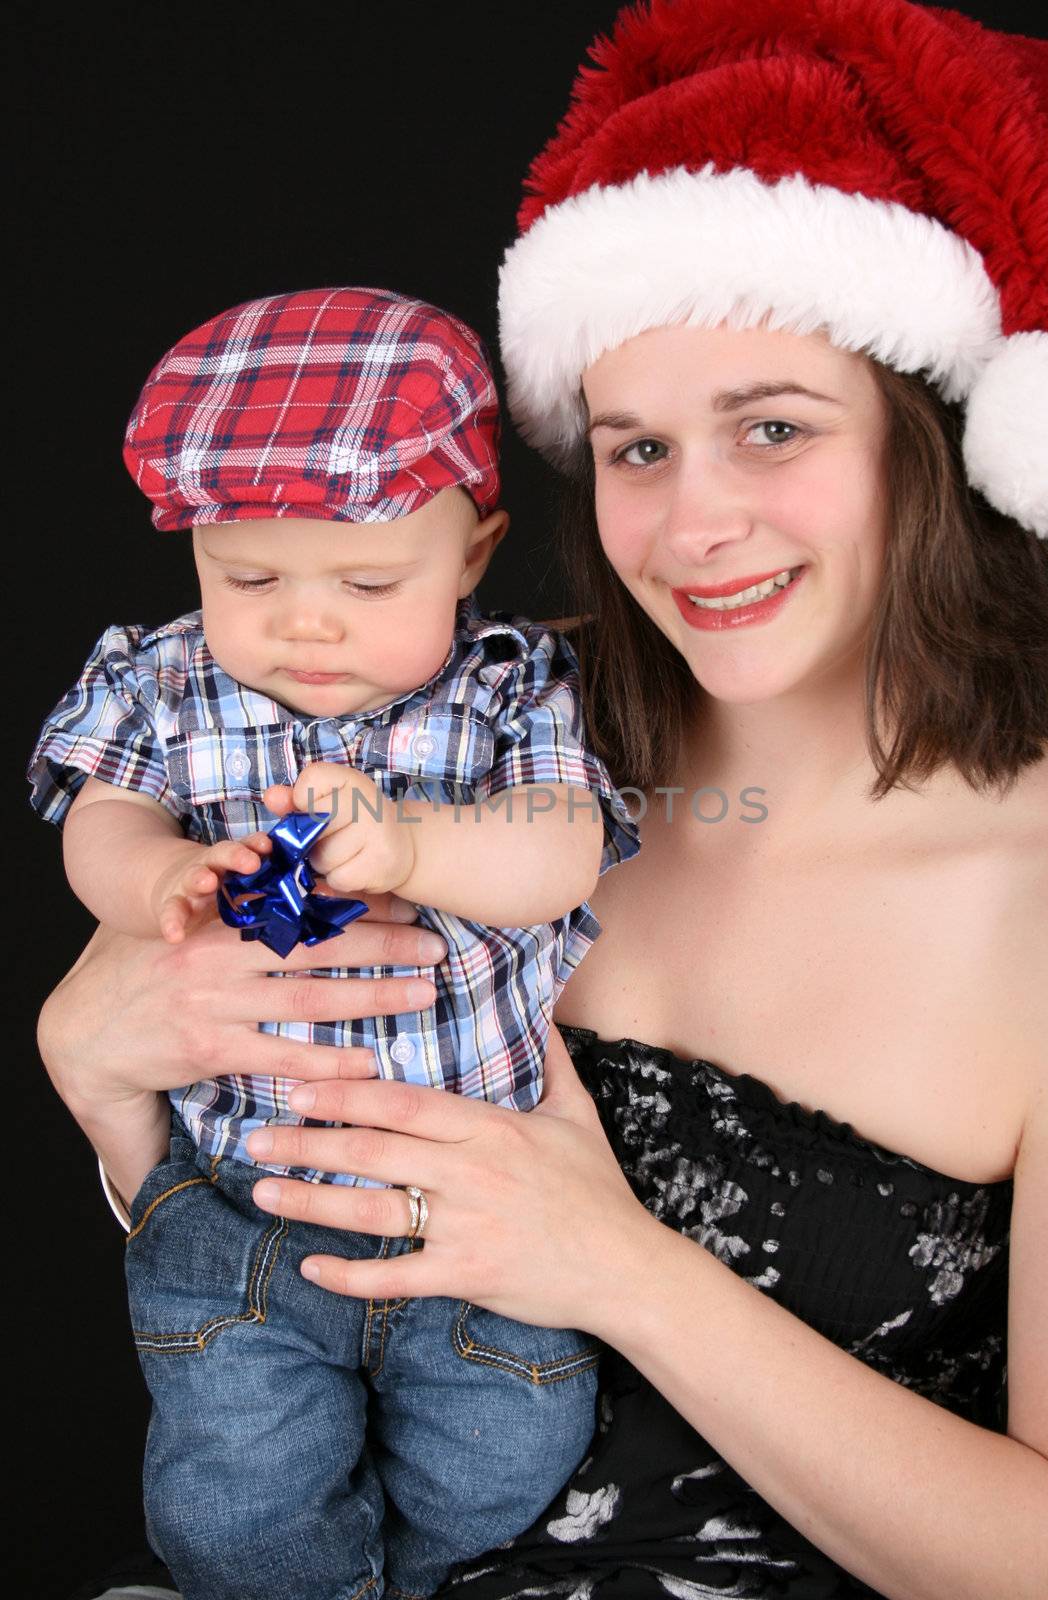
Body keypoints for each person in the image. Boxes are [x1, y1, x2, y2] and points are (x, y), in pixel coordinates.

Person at [39, 1, 1048, 1597]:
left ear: (923, 442)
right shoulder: (464, 726)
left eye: (774, 429)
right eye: (636, 448)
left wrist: (625, 1273)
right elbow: (292, 1265)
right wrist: (113, 1105)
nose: (695, 523)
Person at [28, 286, 638, 1600]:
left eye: (368, 582)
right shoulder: (162, 681)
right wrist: (160, 880)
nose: (305, 623)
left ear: (473, 554)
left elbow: (560, 848)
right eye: (248, 577)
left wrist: (419, 848)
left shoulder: (507, 686)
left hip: (476, 1210)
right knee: (237, 1505)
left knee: (504, 1470)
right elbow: (101, 821)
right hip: (243, 1207)